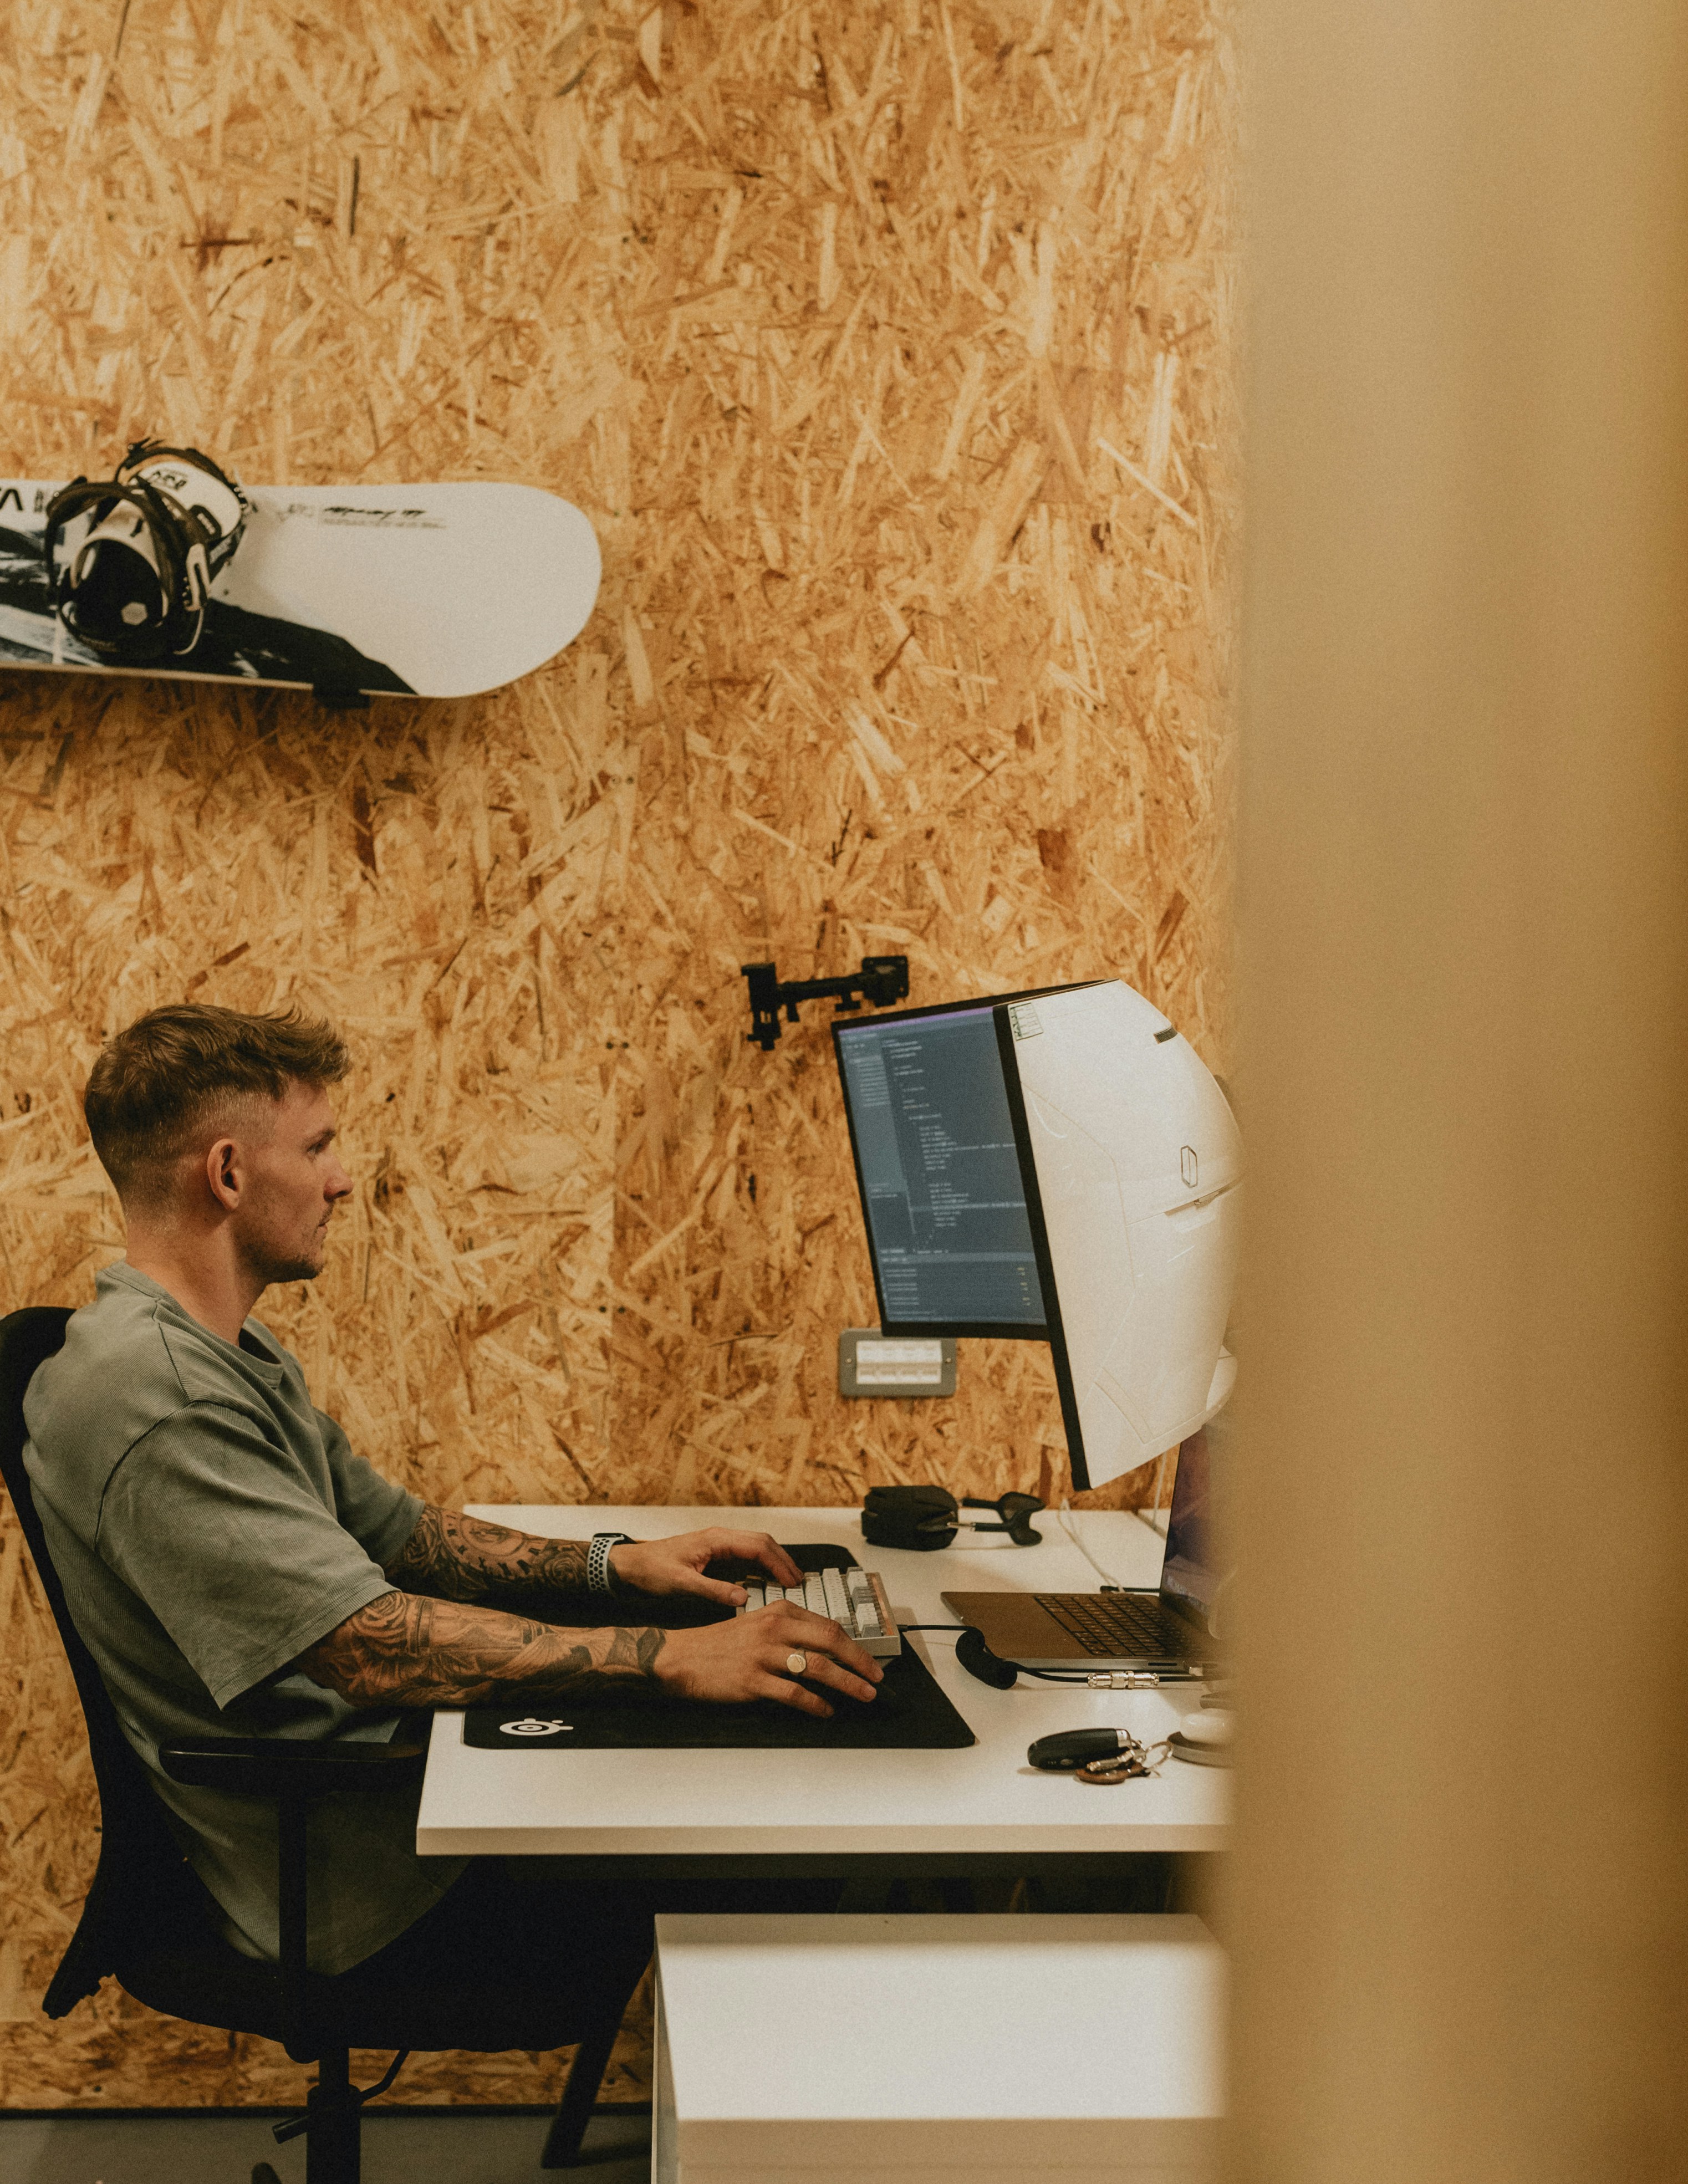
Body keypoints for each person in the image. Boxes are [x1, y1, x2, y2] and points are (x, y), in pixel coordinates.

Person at [22, 1002, 878, 2004]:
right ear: (228, 1173)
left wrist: (620, 1567)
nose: (342, 1178)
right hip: (363, 1875)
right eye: (318, 1146)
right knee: (827, 1843)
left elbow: (405, 1537)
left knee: (772, 1759)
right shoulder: (157, 1397)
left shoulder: (218, 1353)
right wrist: (672, 1656)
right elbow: (369, 1647)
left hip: (398, 1796)